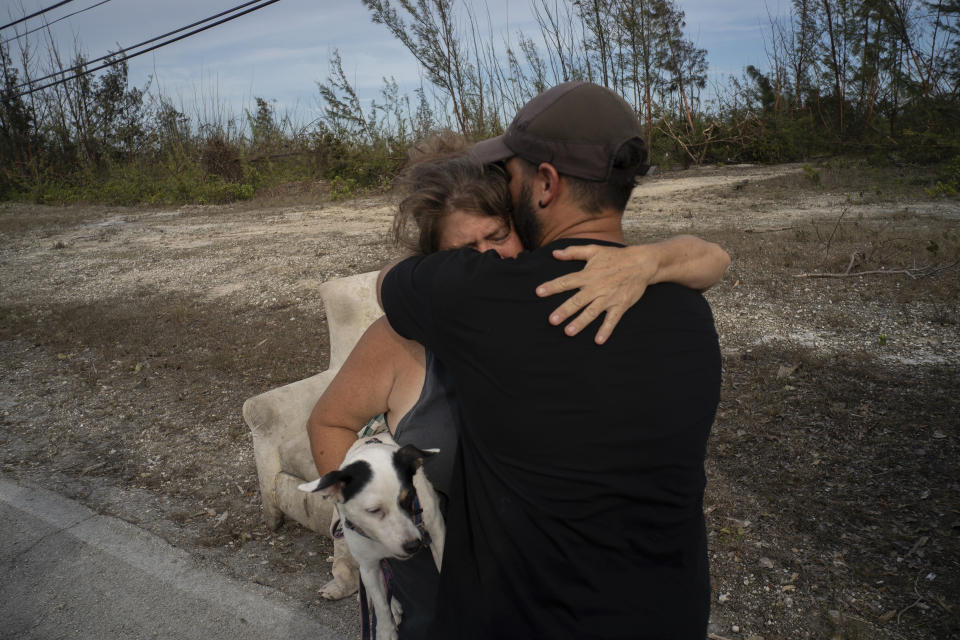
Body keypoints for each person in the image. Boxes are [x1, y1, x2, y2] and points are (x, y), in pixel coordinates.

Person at [310, 144, 728, 639]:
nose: (488, 259)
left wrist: (650, 260)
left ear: (522, 227)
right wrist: (367, 520)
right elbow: (328, 421)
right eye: (465, 252)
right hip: (425, 582)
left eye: (498, 235)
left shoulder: (558, 309)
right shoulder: (401, 342)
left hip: (526, 596)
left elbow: (714, 258)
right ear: (434, 267)